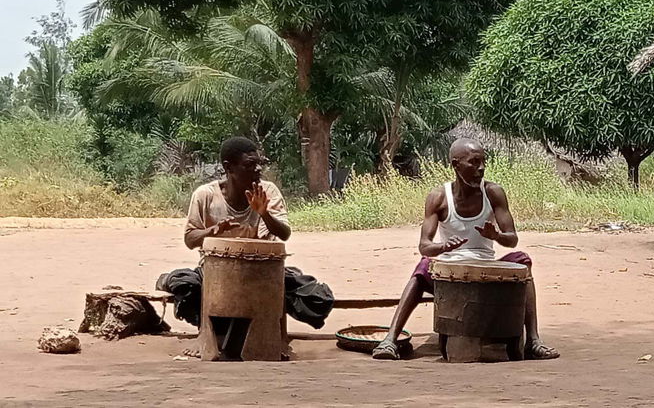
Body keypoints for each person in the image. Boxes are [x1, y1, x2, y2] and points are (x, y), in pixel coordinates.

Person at [372, 138, 559, 360]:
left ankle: (533, 340)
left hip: (487, 269)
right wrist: (442, 246)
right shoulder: (439, 197)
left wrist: (497, 236)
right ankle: (390, 340)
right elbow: (424, 246)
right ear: (455, 165)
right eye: (473, 163)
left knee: (523, 262)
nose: (480, 169)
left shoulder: (493, 192)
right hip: (450, 270)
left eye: (483, 162)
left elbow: (512, 239)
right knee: (422, 268)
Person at [158, 137, 333, 331]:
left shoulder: (268, 191)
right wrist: (212, 231)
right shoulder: (205, 195)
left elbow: (284, 234)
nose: (258, 169)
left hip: (263, 272)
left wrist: (264, 213)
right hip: (216, 274)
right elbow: (190, 239)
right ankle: (210, 322)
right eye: (250, 165)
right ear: (229, 167)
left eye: (259, 164)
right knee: (185, 286)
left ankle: (252, 327)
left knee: (318, 298)